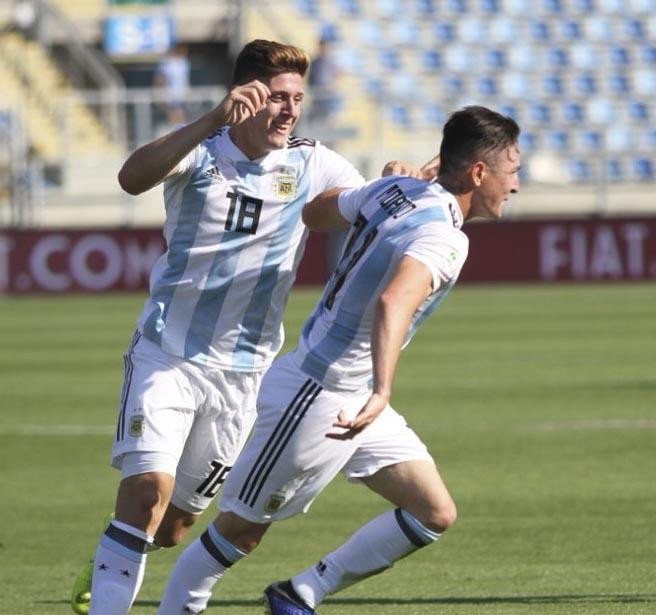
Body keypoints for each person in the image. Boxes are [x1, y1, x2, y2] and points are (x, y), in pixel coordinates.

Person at [70, 39, 432, 615]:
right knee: (145, 495)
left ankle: (117, 550)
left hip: (245, 375)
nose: (290, 110)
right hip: (169, 354)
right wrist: (212, 118)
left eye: (297, 98)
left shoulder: (311, 161)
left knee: (173, 527)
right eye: (279, 97)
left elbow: (361, 198)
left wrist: (398, 176)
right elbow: (131, 178)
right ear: (248, 95)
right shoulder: (203, 149)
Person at [154, 105, 520, 615]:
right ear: (479, 172)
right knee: (238, 532)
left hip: (350, 396)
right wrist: (383, 391)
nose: (516, 184)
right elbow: (396, 300)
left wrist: (377, 192)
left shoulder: (398, 191)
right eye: (512, 170)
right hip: (319, 394)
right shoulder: (444, 237)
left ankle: (301, 592)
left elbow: (316, 213)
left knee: (432, 512)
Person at [154, 44, 191, 127]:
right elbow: (159, 80)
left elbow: (185, 80)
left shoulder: (184, 62)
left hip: (182, 94)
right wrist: (160, 95)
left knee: (182, 118)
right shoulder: (166, 63)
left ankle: (182, 134)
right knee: (173, 117)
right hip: (170, 95)